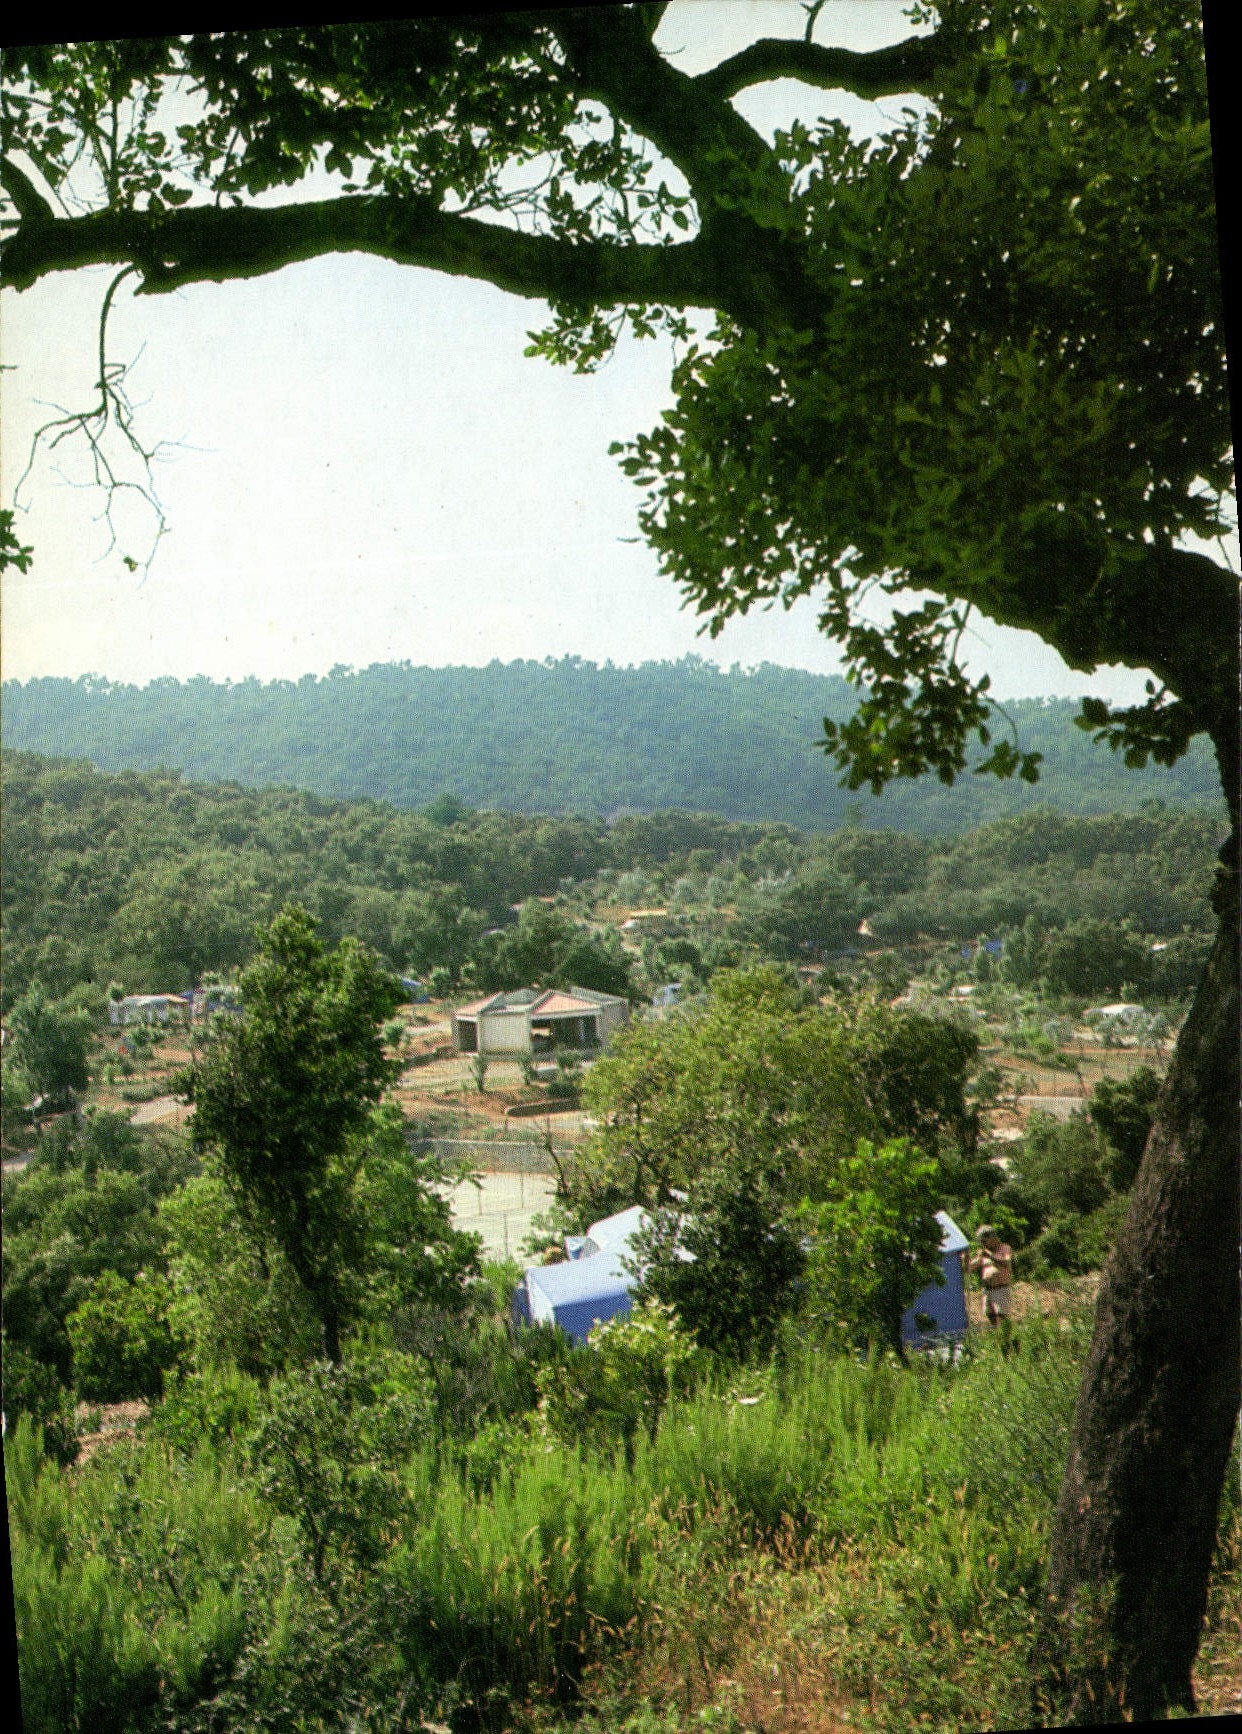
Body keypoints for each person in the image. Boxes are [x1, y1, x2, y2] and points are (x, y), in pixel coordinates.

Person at [969, 1225, 1014, 1327]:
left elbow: (1007, 1263)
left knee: (1003, 1317)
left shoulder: (1005, 1249)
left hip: (1000, 1289)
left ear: (992, 1238)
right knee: (990, 1316)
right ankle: (997, 1336)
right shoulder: (984, 1253)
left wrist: (991, 1257)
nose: (983, 1244)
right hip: (988, 1290)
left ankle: (1005, 1338)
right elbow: (970, 1267)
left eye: (984, 1241)